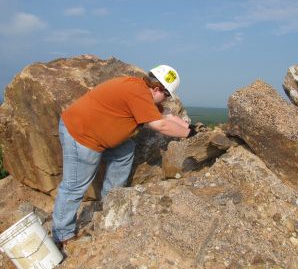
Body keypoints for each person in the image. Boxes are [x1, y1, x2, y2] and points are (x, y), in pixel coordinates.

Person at [52, 64, 197, 247]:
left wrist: (190, 128)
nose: (166, 100)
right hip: (82, 136)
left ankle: (110, 202)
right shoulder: (137, 93)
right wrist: (187, 135)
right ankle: (62, 236)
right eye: (166, 95)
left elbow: (166, 116)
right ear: (157, 89)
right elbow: (160, 125)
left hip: (96, 133)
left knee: (125, 150)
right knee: (74, 187)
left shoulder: (141, 90)